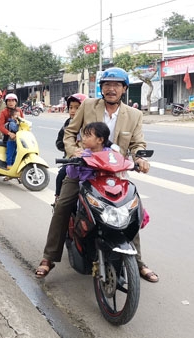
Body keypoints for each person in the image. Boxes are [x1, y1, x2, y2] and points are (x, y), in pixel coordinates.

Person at [36, 67, 158, 283]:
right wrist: (74, 151)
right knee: (64, 205)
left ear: (124, 89)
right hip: (84, 170)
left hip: (114, 171)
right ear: (101, 88)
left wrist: (140, 158)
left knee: (129, 210)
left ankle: (137, 261)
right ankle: (48, 257)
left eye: (117, 85)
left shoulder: (134, 115)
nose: (111, 89)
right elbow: (70, 132)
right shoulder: (88, 106)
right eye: (107, 85)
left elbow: (137, 144)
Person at [54, 93, 87, 203]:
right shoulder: (67, 124)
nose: (73, 111)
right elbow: (59, 142)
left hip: (89, 161)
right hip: (72, 161)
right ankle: (58, 198)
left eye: (77, 108)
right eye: (71, 108)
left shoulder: (90, 125)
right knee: (61, 175)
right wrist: (70, 148)